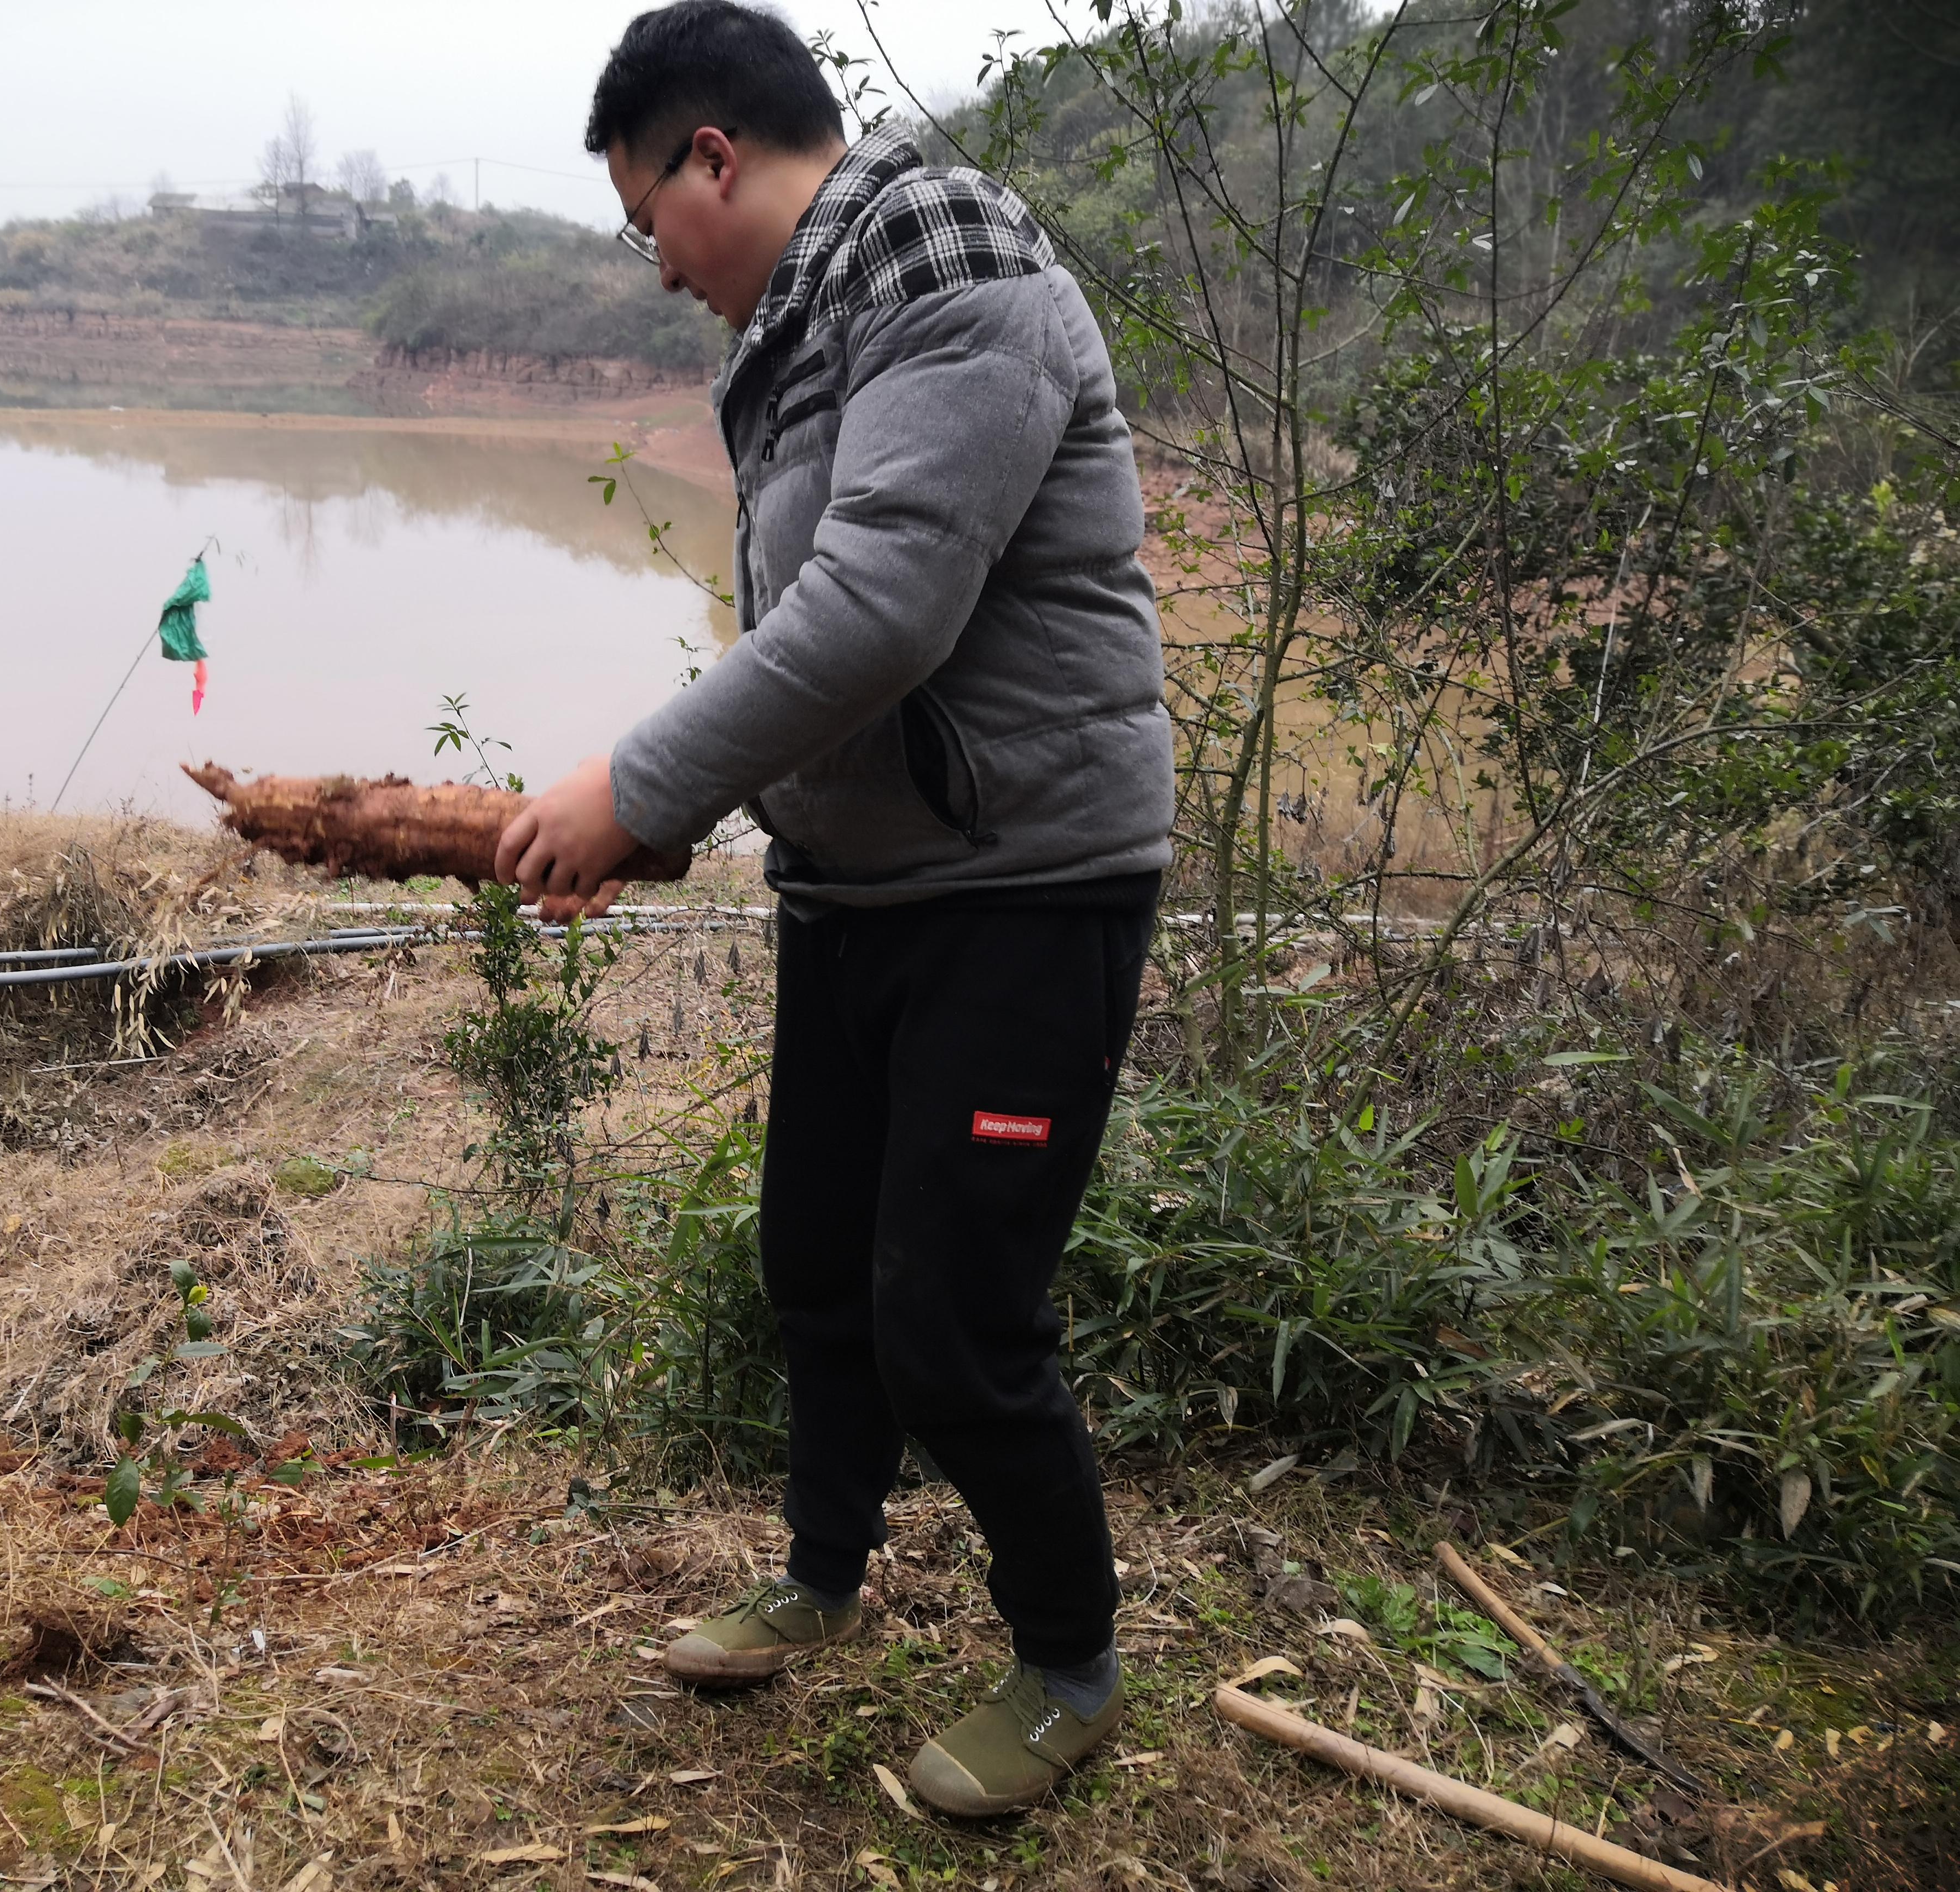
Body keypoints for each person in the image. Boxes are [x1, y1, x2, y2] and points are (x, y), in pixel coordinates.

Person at [494, 0, 1173, 1818]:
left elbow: (880, 609)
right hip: (865, 890)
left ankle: (1068, 1663)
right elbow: (823, 646)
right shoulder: (803, 321)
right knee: (818, 1269)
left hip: (1022, 889)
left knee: (955, 1311)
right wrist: (693, 817)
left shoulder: (942, 254)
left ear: (714, 155)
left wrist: (638, 787)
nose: (657, 265)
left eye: (652, 218)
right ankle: (821, 1578)